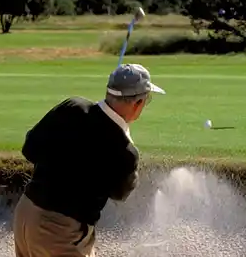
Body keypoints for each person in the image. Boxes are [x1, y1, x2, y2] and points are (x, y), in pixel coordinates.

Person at [13, 63, 165, 257]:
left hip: (25, 215)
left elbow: (29, 149)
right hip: (60, 232)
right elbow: (121, 193)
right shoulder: (125, 151)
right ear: (138, 104)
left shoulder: (72, 107)